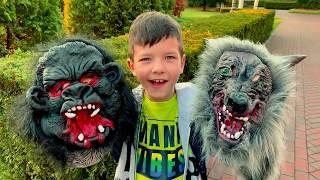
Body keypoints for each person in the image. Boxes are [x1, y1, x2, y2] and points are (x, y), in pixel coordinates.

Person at [114, 11, 207, 179]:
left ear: (182, 63)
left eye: (169, 57)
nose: (158, 68)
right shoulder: (126, 106)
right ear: (132, 65)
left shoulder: (197, 103)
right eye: (146, 59)